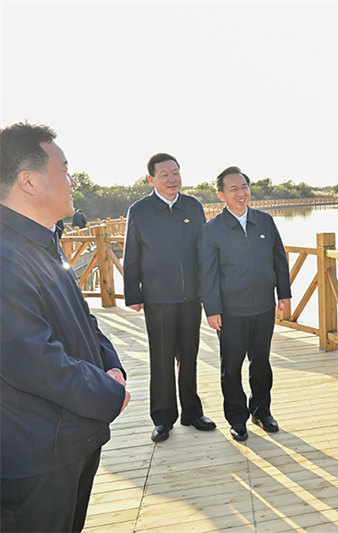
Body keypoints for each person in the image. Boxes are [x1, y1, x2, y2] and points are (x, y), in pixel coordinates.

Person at [0, 122, 130, 532]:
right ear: (29, 181)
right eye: (65, 170)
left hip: (74, 440)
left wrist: (113, 364)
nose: (73, 181)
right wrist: (109, 392)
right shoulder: (5, 255)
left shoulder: (43, 239)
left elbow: (83, 318)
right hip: (37, 456)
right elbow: (32, 359)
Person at [123, 153, 216, 442]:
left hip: (191, 297)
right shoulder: (140, 211)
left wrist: (208, 293)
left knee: (189, 356)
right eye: (164, 174)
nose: (172, 179)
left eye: (175, 173)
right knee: (161, 359)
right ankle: (163, 418)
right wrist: (132, 294)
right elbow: (131, 255)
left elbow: (205, 252)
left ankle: (192, 412)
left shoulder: (193, 206)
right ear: (152, 179)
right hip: (158, 298)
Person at [199, 166, 291, 442]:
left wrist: (283, 293)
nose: (241, 193)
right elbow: (207, 273)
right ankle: (237, 419)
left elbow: (279, 259)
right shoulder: (213, 229)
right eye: (234, 189)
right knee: (231, 367)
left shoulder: (264, 221)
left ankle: (262, 412)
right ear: (221, 195)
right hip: (230, 312)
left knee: (261, 363)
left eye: (244, 187)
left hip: (263, 307)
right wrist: (212, 309)